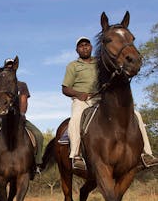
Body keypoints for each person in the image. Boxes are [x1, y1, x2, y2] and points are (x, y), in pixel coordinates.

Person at [62, 36, 158, 170]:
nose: (84, 47)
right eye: (81, 45)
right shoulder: (73, 66)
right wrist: (79, 94)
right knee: (76, 119)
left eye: (87, 45)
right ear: (77, 49)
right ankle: (76, 155)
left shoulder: (100, 63)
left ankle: (147, 154)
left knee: (136, 115)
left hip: (102, 99)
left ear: (91, 47)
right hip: (83, 100)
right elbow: (65, 88)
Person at [0, 58, 44, 182]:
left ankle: (37, 166)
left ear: (15, 69)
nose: (9, 68)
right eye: (7, 66)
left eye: (11, 66)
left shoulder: (22, 85)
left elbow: (24, 101)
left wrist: (21, 113)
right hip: (2, 118)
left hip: (19, 118)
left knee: (38, 135)